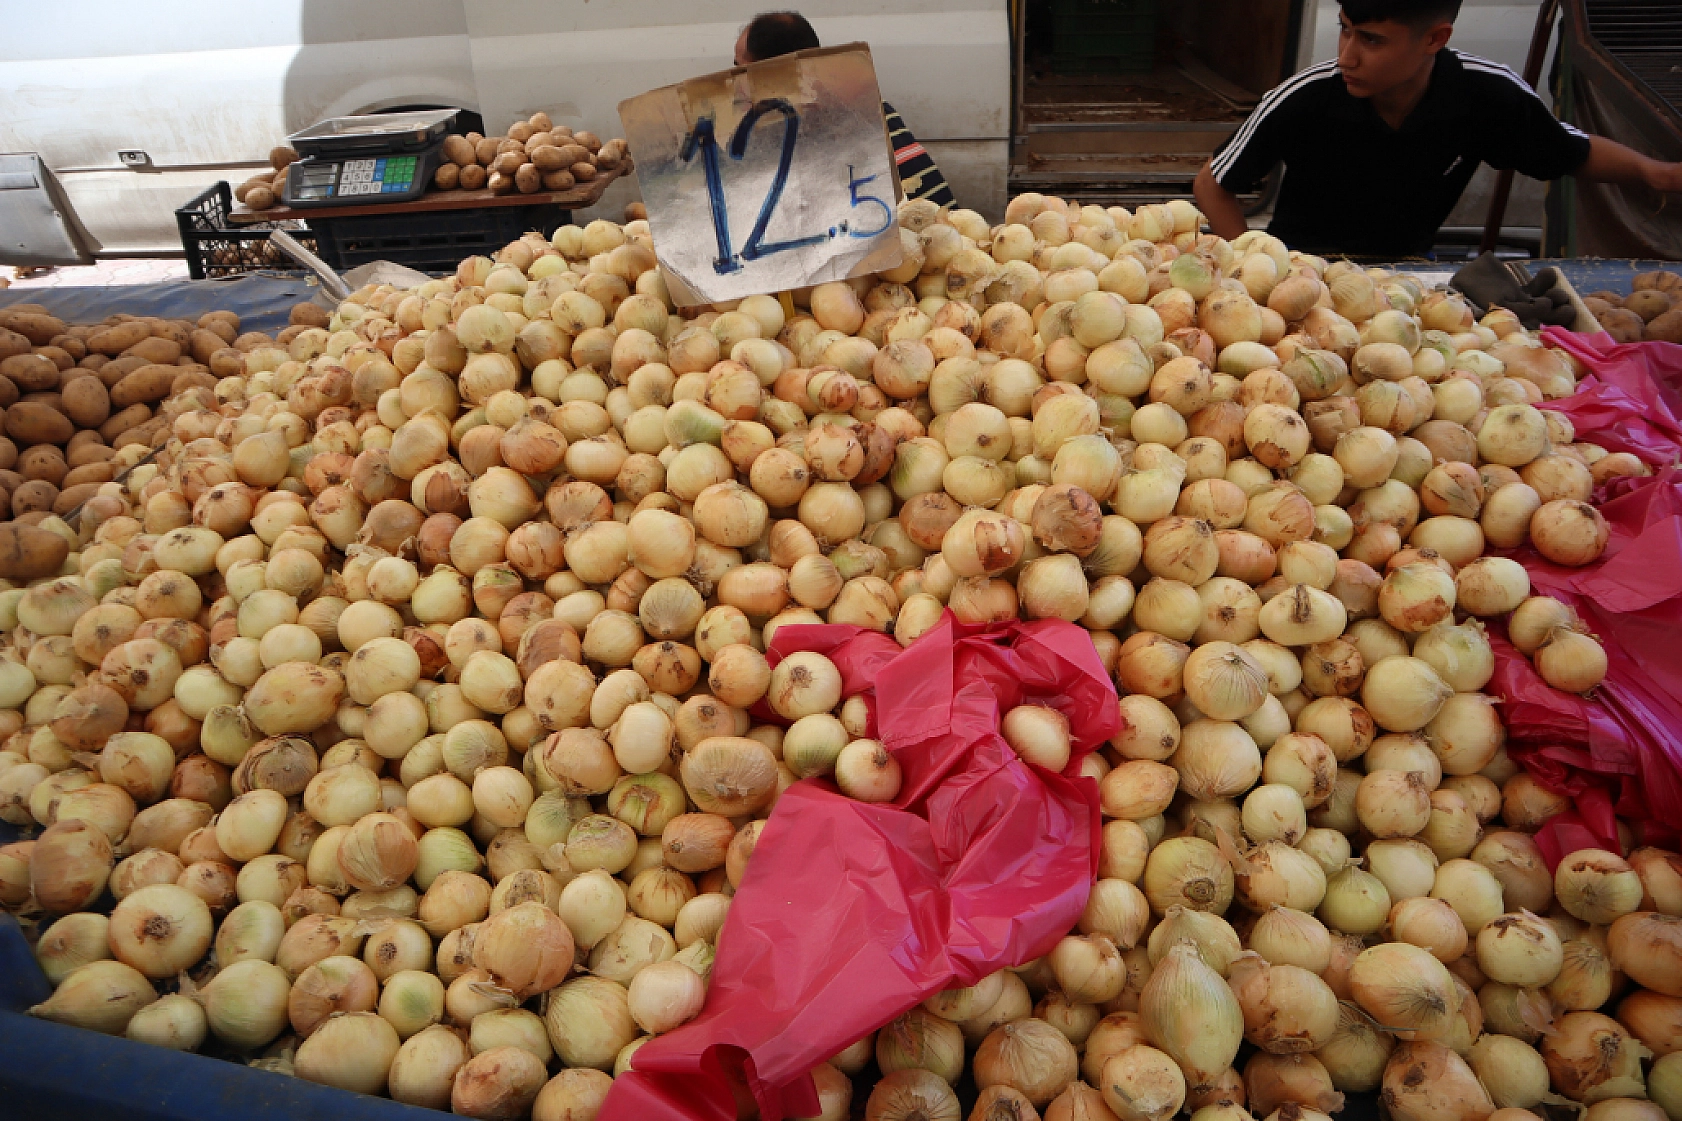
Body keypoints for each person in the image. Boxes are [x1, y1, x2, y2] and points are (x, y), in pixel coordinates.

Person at [1192, 0, 1682, 258]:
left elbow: (1569, 150)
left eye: (1371, 39)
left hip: (1410, 273)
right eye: (1344, 29)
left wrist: (1657, 174)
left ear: (1435, 38)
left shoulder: (1486, 95)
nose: (1347, 55)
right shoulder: (1306, 96)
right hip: (1302, 268)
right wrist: (1252, 268)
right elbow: (1213, 185)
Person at [734, 10, 958, 208]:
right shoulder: (868, 106)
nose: (736, 83)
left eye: (740, 69)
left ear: (765, 75)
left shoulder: (803, 131)